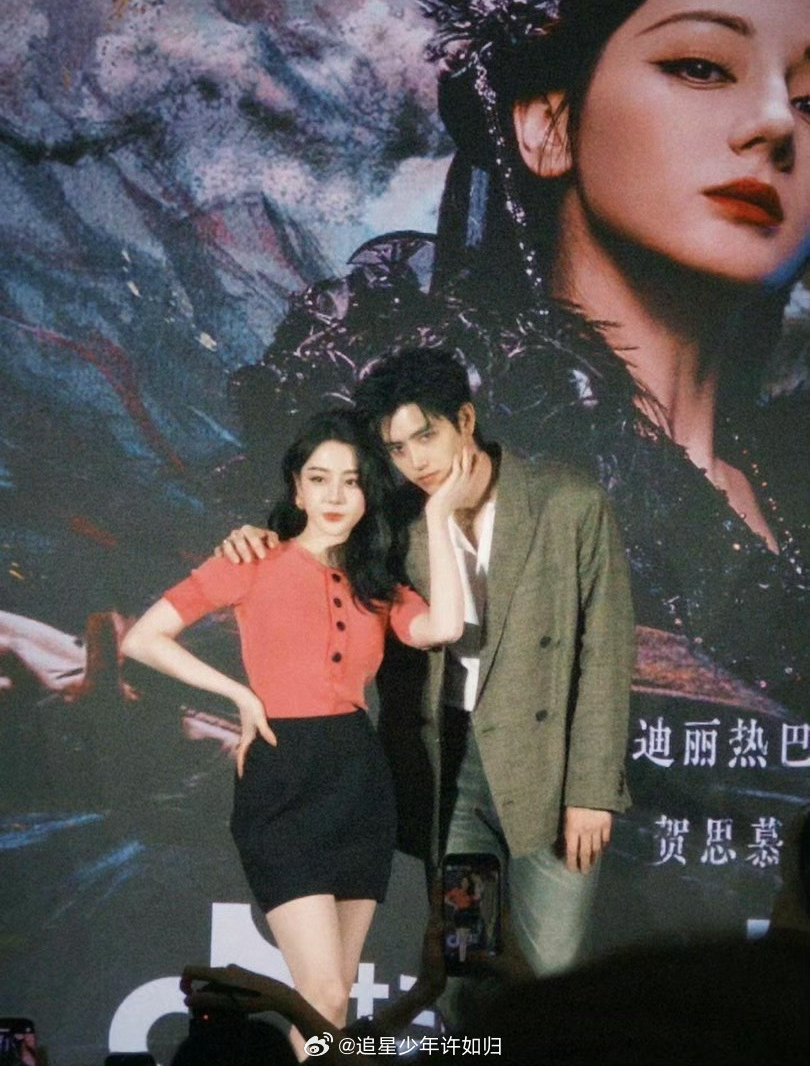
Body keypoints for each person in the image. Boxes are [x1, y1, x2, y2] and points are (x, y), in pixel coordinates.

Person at [226, 0, 810, 954]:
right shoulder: (445, 429)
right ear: (546, 125)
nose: (774, 127)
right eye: (701, 66)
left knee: (550, 982)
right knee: (476, 984)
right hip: (466, 808)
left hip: (646, 900)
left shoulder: (768, 486)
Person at [220, 348, 635, 1029]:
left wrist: (592, 788)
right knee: (465, 971)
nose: (415, 460)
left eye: (426, 436)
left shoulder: (568, 502)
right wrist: (255, 541)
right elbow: (310, 557)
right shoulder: (392, 524)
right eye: (397, 448)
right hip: (451, 774)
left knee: (552, 976)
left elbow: (606, 652)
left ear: (465, 420)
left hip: (550, 772)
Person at [121, 408, 471, 1058]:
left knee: (331, 1000)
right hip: (282, 778)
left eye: (351, 481)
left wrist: (442, 514)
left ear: (368, 493)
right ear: (297, 489)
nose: (335, 496)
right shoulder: (252, 559)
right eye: (319, 478)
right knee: (323, 993)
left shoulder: (378, 583)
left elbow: (444, 627)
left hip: (359, 782)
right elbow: (143, 639)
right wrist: (237, 694)